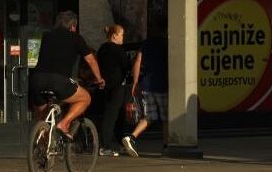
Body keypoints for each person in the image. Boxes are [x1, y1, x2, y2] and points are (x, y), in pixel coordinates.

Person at [29, 11, 104, 140]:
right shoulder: (76, 38)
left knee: (41, 117)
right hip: (59, 81)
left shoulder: (47, 36)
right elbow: (91, 60)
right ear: (73, 26)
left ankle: (42, 145)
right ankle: (63, 124)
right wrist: (99, 79)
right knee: (85, 98)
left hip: (37, 79)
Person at [121, 30, 169, 158]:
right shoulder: (166, 43)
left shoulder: (146, 43)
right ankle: (166, 146)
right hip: (162, 85)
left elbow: (137, 61)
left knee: (149, 116)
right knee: (166, 118)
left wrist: (135, 82)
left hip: (147, 85)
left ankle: (131, 137)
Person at [96, 24, 136, 157]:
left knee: (117, 115)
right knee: (112, 116)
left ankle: (120, 142)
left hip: (105, 85)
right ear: (114, 36)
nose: (123, 37)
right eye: (121, 35)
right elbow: (126, 66)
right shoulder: (118, 50)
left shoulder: (103, 48)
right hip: (117, 86)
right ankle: (104, 146)